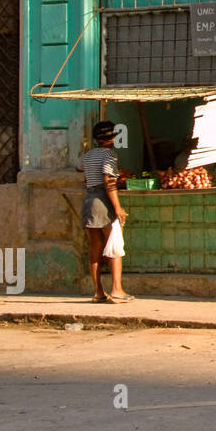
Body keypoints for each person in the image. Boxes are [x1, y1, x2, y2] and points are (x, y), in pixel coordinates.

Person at [76, 120, 132, 303]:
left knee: (96, 248)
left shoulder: (88, 155)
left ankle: (98, 292)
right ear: (110, 138)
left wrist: (92, 176)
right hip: (103, 202)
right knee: (115, 244)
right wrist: (118, 207)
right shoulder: (109, 154)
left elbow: (79, 166)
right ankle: (117, 289)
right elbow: (109, 180)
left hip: (89, 201)